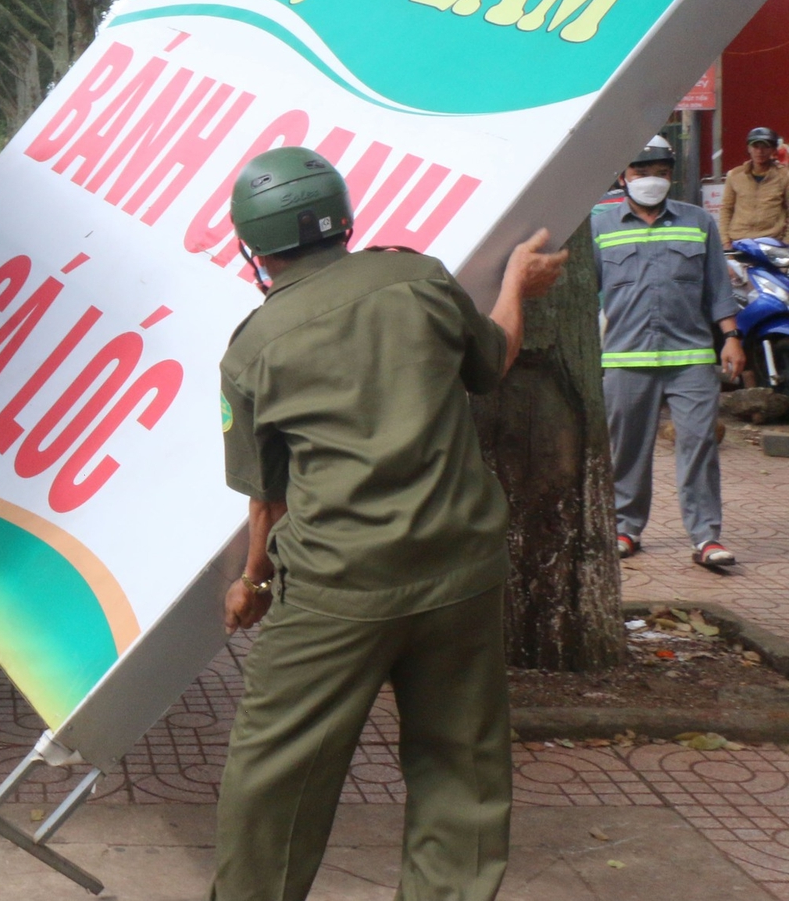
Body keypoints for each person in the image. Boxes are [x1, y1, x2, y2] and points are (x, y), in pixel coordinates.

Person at [215, 147, 566, 901]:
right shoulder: (419, 278)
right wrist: (516, 286)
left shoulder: (253, 347)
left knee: (276, 774)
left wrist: (251, 582)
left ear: (255, 246)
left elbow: (268, 501)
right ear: (342, 219)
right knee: (461, 766)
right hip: (461, 573)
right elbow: (493, 358)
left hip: (338, 588)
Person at [596, 135, 743, 567]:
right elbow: (588, 292)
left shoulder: (698, 221)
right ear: (624, 176)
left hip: (691, 358)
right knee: (627, 451)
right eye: (642, 172)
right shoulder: (599, 227)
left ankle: (706, 538)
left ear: (671, 177)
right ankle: (626, 528)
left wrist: (731, 336)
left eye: (660, 173)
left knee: (698, 445)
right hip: (625, 359)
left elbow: (718, 284)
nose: (651, 181)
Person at [721, 125, 789, 244]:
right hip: (739, 241)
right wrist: (725, 241)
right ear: (749, 148)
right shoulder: (735, 175)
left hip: (771, 242)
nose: (759, 151)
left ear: (773, 150)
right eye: (755, 146)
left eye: (765, 147)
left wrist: (786, 242)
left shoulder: (784, 176)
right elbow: (726, 209)